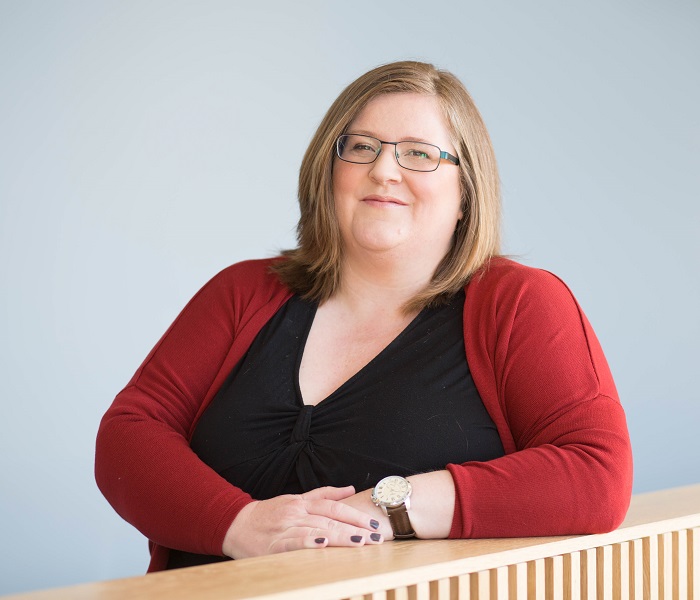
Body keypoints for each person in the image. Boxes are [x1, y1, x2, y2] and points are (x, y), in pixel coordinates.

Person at [95, 60, 633, 572]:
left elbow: (596, 474)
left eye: (419, 154)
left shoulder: (518, 304)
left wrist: (390, 507)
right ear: (329, 171)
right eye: (361, 147)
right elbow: (129, 435)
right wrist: (242, 525)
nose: (383, 170)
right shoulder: (242, 291)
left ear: (466, 191)